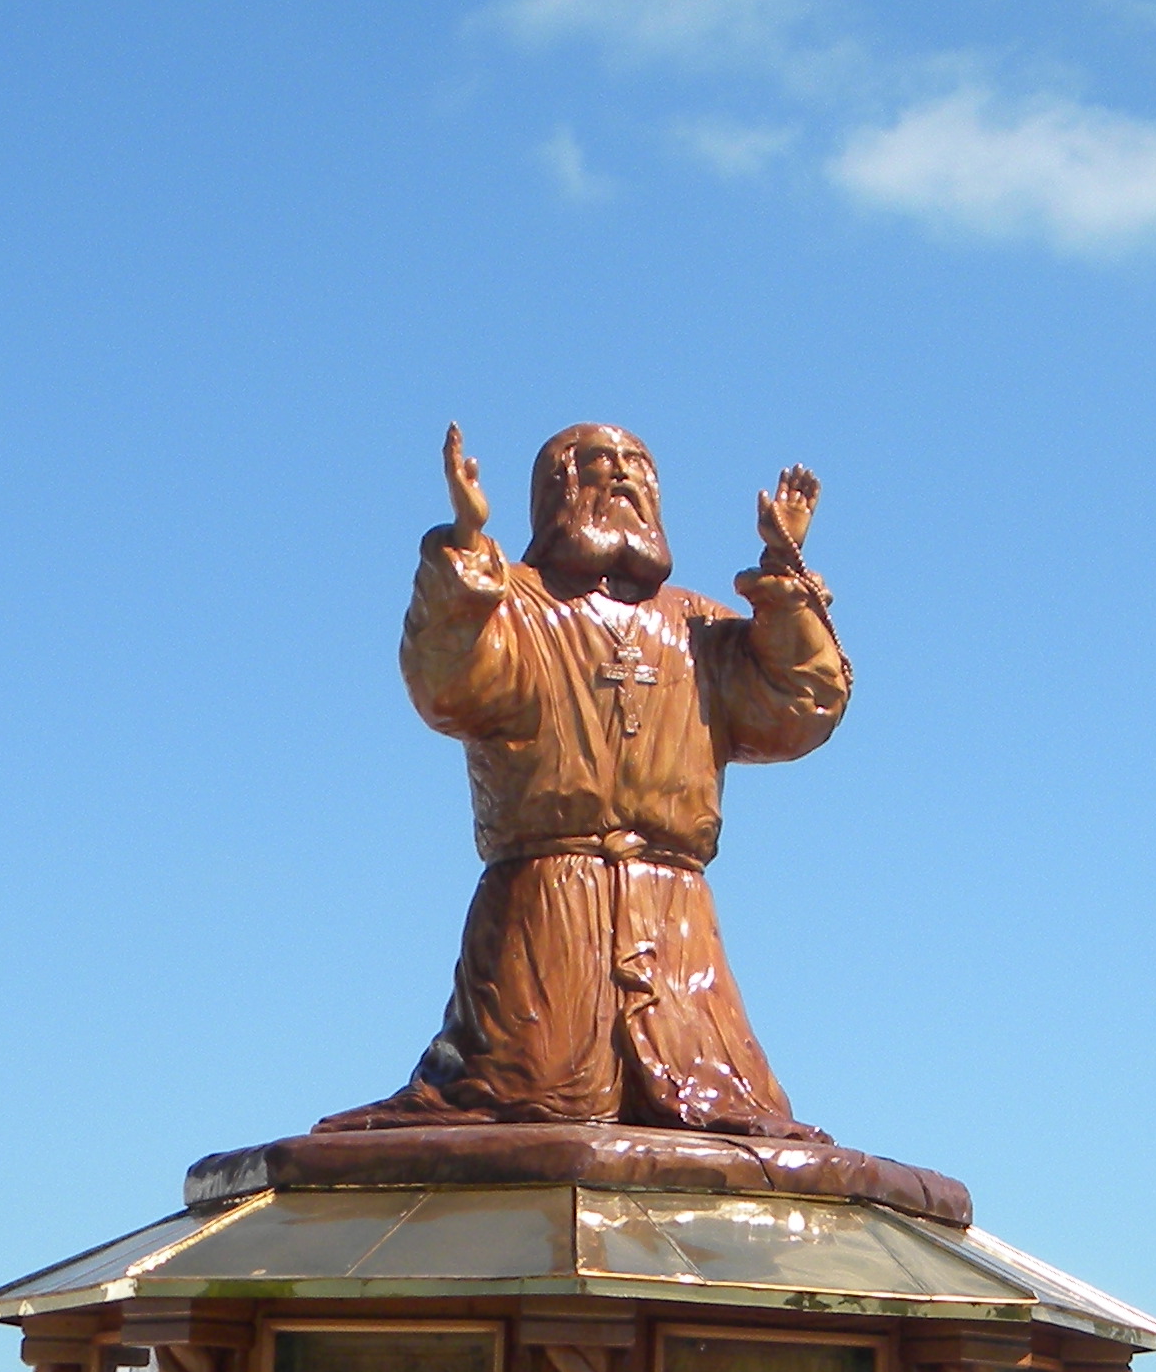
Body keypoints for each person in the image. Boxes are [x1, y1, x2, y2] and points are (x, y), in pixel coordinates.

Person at [316, 421, 852, 1139]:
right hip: (546, 896)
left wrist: (784, 572)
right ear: (557, 488)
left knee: (713, 1101)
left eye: (638, 464)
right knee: (520, 1095)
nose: (623, 476)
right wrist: (466, 549)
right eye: (601, 462)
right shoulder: (517, 604)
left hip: (672, 913)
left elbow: (798, 704)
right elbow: (447, 683)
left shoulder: (698, 625)